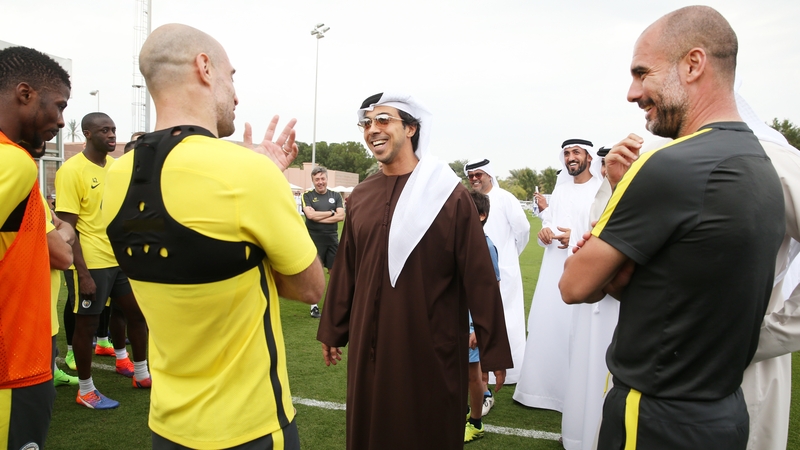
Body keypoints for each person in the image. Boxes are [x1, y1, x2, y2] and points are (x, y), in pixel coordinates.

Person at [560, 6, 785, 449]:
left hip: (654, 414)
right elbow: (680, 289)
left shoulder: (670, 165)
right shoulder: (762, 165)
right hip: (724, 412)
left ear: (693, 63)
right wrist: (622, 272)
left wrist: (605, 256)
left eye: (643, 73)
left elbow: (575, 285)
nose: (632, 93)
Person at [103, 23, 325, 449]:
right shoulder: (247, 173)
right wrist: (267, 180)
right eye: (232, 77)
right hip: (251, 427)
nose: (236, 95)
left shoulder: (115, 177)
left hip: (167, 428)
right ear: (204, 67)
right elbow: (310, 286)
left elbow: (192, 255)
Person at [317, 92, 512, 450]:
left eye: (383, 120)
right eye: (367, 123)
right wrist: (333, 328)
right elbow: (347, 268)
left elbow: (480, 277)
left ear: (411, 128)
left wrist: (493, 349)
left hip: (428, 344)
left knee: (424, 427)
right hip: (367, 345)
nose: (372, 129)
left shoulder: (448, 195)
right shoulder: (360, 196)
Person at [56, 112, 152, 410]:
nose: (111, 135)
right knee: (88, 325)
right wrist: (81, 272)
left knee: (138, 314)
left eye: (113, 130)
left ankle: (141, 373)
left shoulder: (115, 168)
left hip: (118, 260)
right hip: (91, 262)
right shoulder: (71, 171)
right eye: (104, 130)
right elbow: (68, 228)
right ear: (87, 133)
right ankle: (86, 390)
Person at [0, 44, 70, 450]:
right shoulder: (14, 161)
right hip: (14, 364)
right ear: (25, 94)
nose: (62, 121)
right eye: (58, 106)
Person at [513, 138, 602, 412]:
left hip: (584, 269)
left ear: (589, 157)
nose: (571, 157)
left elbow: (600, 230)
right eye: (566, 153)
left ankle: (573, 397)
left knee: (577, 329)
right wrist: (546, 233)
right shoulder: (560, 190)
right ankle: (539, 392)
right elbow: (550, 223)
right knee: (548, 323)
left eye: (576, 152)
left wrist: (572, 237)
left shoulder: (600, 189)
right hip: (553, 268)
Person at [463, 158, 529, 397]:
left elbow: (523, 232)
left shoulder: (506, 199)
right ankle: (480, 373)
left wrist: (510, 257)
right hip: (474, 272)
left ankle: (510, 372)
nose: (474, 179)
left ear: (489, 175)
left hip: (504, 270)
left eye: (478, 175)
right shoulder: (468, 200)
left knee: (506, 321)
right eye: (471, 176)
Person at [464, 190, 501, 443]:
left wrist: (480, 327)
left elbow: (493, 290)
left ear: (481, 215)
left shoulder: (486, 246)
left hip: (471, 323)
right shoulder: (456, 241)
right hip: (450, 319)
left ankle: (476, 422)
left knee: (472, 374)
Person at [302, 166, 344, 318]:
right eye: (317, 179)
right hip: (314, 239)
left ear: (327, 179)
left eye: (322, 178)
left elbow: (341, 216)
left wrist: (320, 216)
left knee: (334, 272)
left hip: (332, 239)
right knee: (315, 273)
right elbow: (310, 216)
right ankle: (314, 307)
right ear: (313, 181)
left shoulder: (335, 195)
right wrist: (331, 212)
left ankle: (333, 305)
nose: (320, 182)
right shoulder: (307, 195)